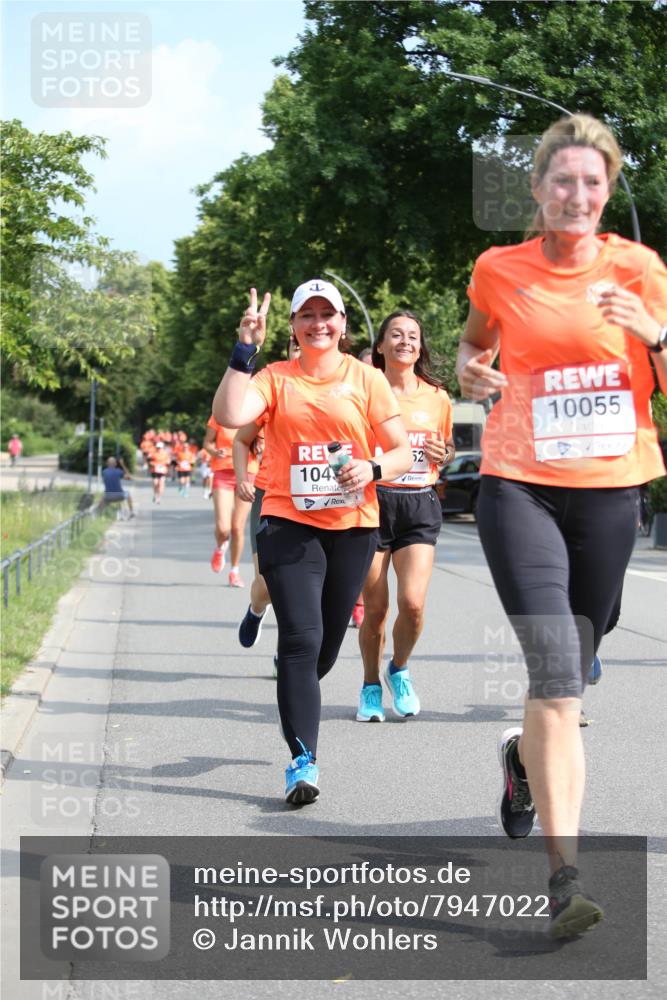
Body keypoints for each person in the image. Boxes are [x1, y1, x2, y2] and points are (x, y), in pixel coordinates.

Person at [456, 113, 667, 939]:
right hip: (520, 489)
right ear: (536, 189)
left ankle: (522, 761)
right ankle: (563, 878)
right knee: (556, 678)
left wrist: (654, 333)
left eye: (592, 182)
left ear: (606, 191)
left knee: (581, 651)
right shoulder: (497, 269)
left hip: (610, 491)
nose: (576, 195)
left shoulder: (638, 268)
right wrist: (472, 371)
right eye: (562, 181)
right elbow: (473, 348)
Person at [213, 279, 412, 805]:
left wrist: (372, 468)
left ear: (343, 324)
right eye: (307, 314)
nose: (318, 323)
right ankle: (303, 762)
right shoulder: (274, 378)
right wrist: (244, 350)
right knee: (300, 640)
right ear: (294, 325)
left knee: (320, 653)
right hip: (288, 521)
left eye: (328, 314)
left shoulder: (367, 379)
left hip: (353, 527)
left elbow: (401, 452)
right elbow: (231, 416)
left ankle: (296, 687)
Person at [357, 310, 453, 722]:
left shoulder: (437, 396)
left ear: (420, 347)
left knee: (412, 604)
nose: (405, 341)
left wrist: (443, 454)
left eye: (413, 335)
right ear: (380, 345)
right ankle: (370, 685)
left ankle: (398, 669)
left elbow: (447, 448)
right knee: (376, 609)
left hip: (418, 502)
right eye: (396, 334)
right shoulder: (364, 390)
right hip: (373, 502)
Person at [235, 334, 302, 675]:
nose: (302, 349)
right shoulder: (274, 385)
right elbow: (241, 439)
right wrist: (242, 478)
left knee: (302, 587)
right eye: (296, 344)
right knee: (268, 584)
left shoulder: (342, 388)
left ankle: (285, 652)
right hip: (270, 495)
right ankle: (256, 610)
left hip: (318, 503)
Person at [204, 416, 256, 585]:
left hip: (248, 473)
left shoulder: (255, 415)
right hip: (223, 472)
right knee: (223, 528)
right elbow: (207, 443)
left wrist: (261, 446)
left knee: (237, 528)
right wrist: (214, 452)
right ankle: (220, 548)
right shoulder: (219, 416)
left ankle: (234, 571)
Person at [148, 439, 170, 504]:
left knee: (161, 484)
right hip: (155, 470)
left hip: (163, 470)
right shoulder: (153, 453)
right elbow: (149, 461)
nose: (159, 449)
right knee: (155, 483)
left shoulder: (165, 453)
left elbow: (168, 461)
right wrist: (152, 463)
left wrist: (166, 463)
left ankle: (159, 498)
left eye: (160, 447)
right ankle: (155, 494)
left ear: (162, 448)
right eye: (158, 447)